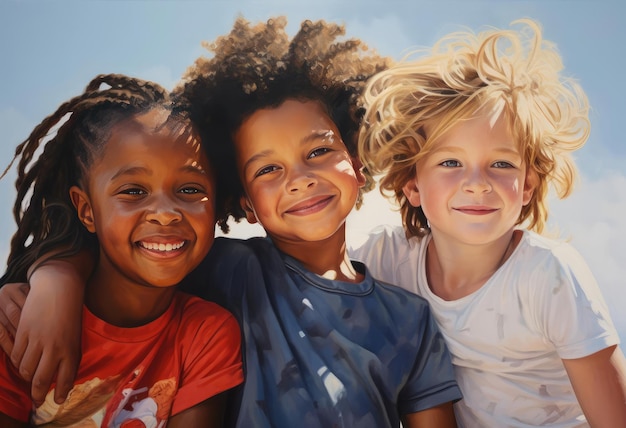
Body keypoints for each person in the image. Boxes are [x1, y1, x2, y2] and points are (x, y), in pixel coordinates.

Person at [0, 18, 462, 428]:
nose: (300, 180)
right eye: (267, 169)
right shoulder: (229, 270)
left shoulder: (409, 319)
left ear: (357, 165)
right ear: (244, 204)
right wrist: (56, 277)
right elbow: (129, 254)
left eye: (319, 151)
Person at [350, 19, 626, 427]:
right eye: (450, 162)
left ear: (528, 185)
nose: (477, 184)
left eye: (501, 163)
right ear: (412, 185)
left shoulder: (548, 274)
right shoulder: (387, 258)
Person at [0, 74, 243, 427]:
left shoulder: (207, 333)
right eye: (133, 191)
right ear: (87, 210)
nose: (165, 212)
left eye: (190, 189)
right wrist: (56, 275)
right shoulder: (19, 322)